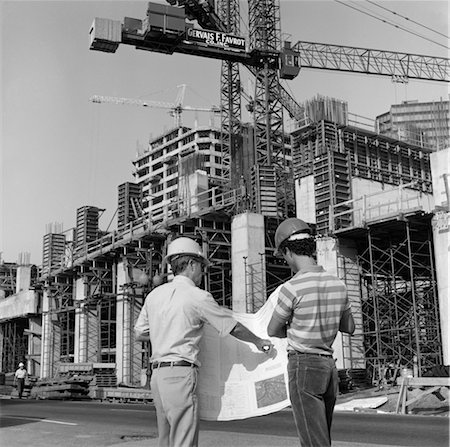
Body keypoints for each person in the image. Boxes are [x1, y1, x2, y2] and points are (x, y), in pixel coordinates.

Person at [135, 236, 273, 447]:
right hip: (180, 375)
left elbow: (140, 333)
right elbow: (231, 326)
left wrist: (168, 333)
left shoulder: (154, 296)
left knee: (166, 439)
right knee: (183, 441)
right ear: (191, 264)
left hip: (158, 376)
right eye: (201, 266)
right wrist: (257, 341)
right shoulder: (198, 296)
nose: (203, 272)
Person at [267, 218, 355, 447]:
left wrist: (298, 327)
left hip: (303, 366)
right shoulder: (338, 284)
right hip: (328, 367)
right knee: (321, 435)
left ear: (288, 251)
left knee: (313, 441)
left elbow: (272, 329)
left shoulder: (291, 288)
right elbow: (350, 327)